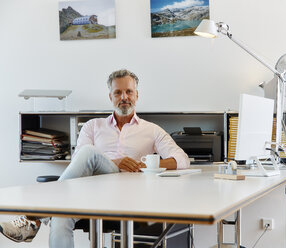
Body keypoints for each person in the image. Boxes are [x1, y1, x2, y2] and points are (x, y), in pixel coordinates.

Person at [0, 69, 190, 247]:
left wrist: (145, 165)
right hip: (88, 192)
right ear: (110, 97)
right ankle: (45, 214)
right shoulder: (93, 126)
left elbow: (182, 159)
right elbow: (79, 162)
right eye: (118, 93)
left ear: (136, 95)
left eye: (129, 92)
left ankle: (35, 217)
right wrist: (116, 162)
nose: (124, 97)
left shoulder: (151, 130)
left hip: (129, 194)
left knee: (88, 153)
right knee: (60, 215)